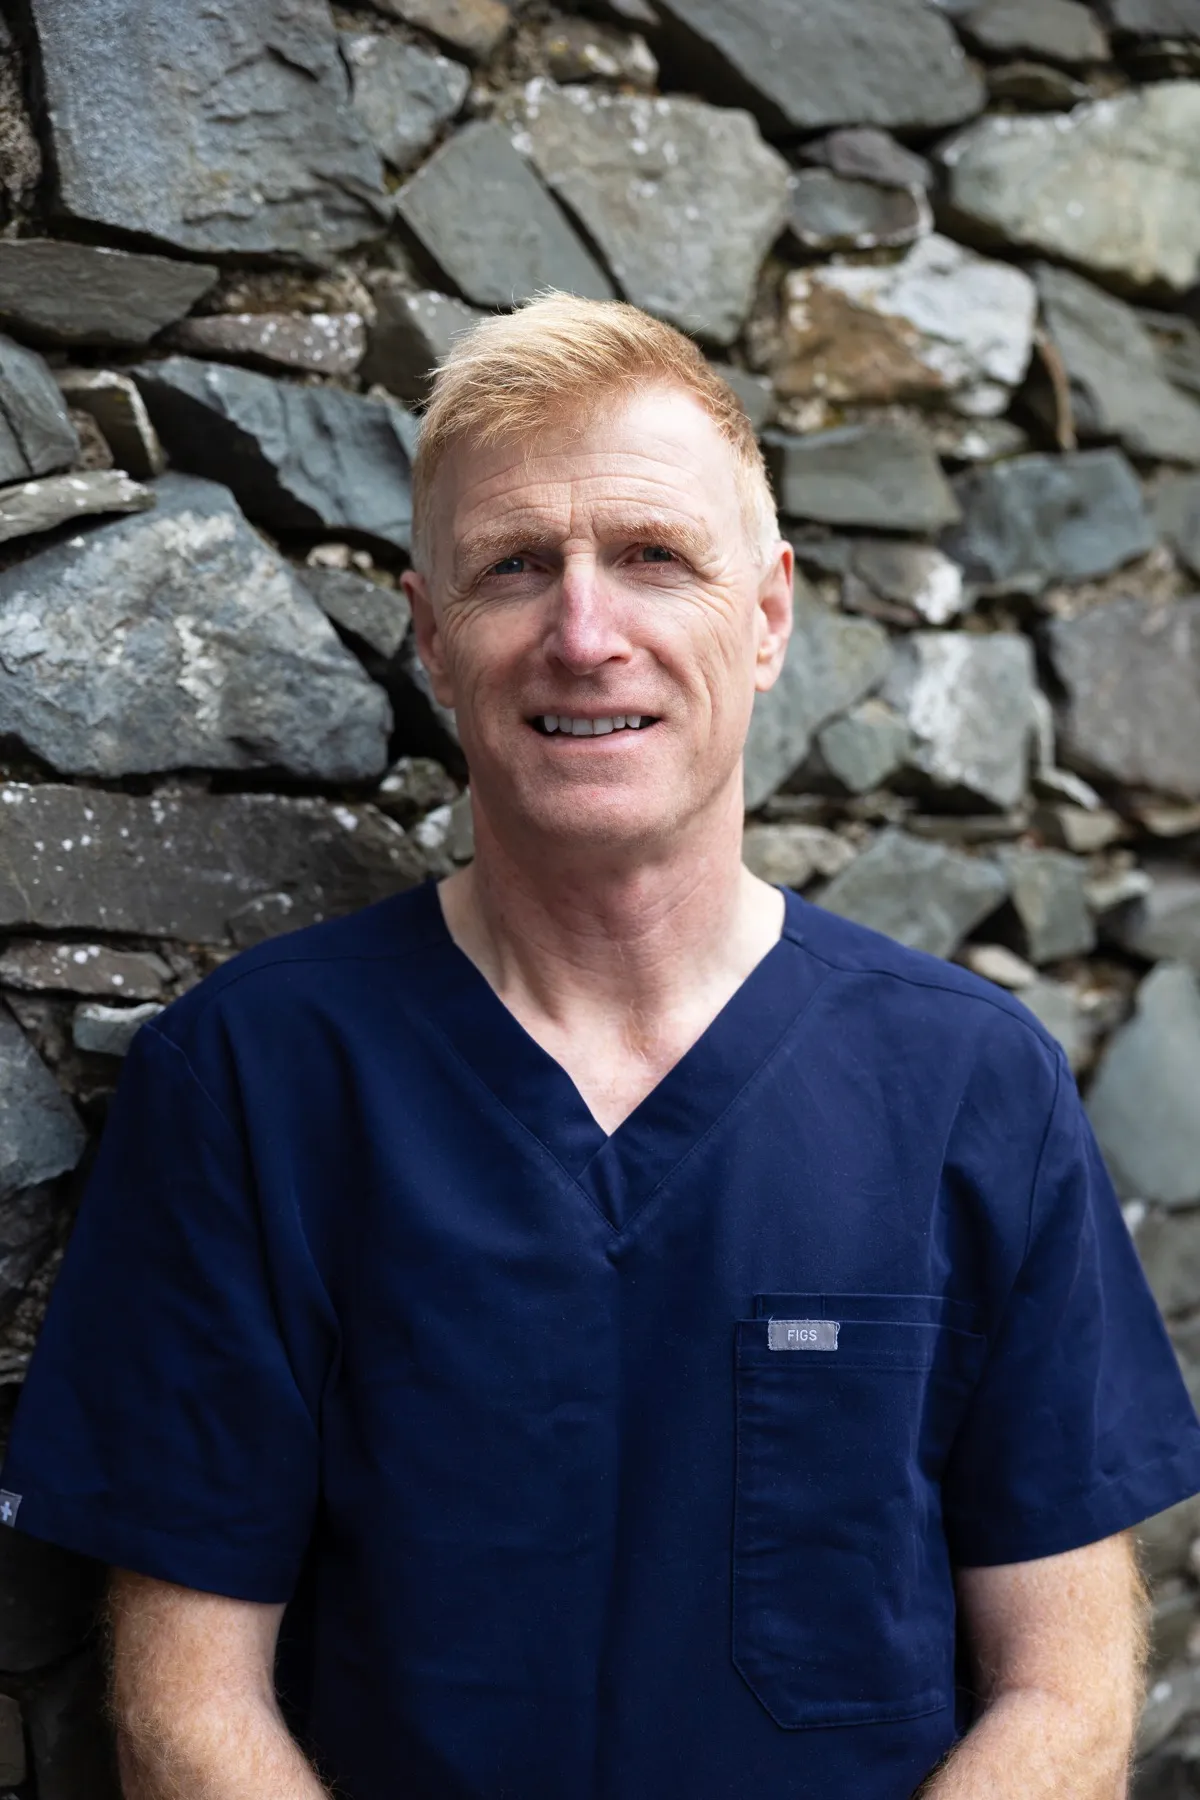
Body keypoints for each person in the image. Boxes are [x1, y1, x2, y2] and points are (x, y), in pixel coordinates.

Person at [3, 293, 1198, 1800]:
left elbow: (1071, 1687)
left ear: (764, 617)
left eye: (653, 557)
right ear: (433, 640)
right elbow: (187, 1712)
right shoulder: (255, 1082)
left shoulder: (970, 1085)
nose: (584, 632)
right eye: (514, 568)